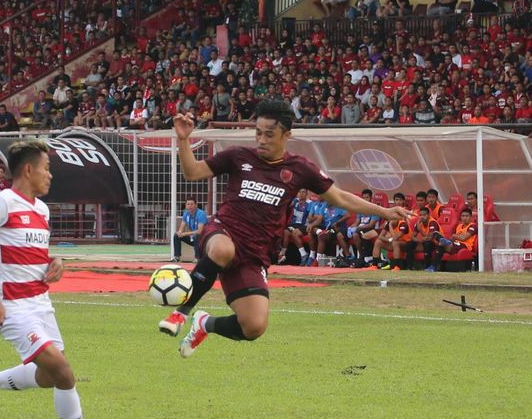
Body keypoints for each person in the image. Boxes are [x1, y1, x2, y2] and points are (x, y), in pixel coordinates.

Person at [158, 100, 411, 357]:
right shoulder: (238, 156)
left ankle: (204, 323)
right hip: (223, 232)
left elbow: (341, 198)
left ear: (286, 135)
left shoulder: (300, 169)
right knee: (222, 249)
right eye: (258, 132)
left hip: (255, 253)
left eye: (269, 134)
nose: (261, 139)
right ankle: (181, 312)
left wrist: (384, 211)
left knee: (254, 326)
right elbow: (192, 172)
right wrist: (183, 140)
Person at [0, 139, 104, 419]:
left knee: (49, 375)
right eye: (47, 168)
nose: (50, 175)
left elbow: (33, 254)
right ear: (28, 169)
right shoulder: (2, 203)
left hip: (42, 304)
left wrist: (56, 262)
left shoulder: (42, 209)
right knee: (64, 372)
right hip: (13, 308)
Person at [425, 208, 477, 272]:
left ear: (471, 217)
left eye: (467, 216)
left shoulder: (473, 226)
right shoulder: (459, 226)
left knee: (442, 245)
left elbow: (463, 238)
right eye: (463, 216)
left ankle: (433, 267)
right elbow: (454, 238)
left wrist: (455, 236)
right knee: (436, 236)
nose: (464, 218)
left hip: (465, 246)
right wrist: (454, 237)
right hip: (455, 244)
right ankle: (433, 267)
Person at [278, 188, 312, 265]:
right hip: (294, 224)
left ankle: (303, 254)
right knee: (285, 231)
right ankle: (282, 254)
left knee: (291, 232)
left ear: (306, 194)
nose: (301, 194)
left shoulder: (310, 203)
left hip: (304, 225)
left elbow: (311, 217)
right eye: (299, 192)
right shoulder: (295, 201)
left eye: (303, 192)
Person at [172, 196, 208, 262]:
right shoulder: (186, 213)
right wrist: (179, 232)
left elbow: (199, 231)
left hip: (203, 239)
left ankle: (197, 258)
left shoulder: (201, 214)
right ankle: (177, 257)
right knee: (176, 235)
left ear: (196, 205)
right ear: (185, 206)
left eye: (192, 204)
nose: (190, 206)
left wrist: (185, 233)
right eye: (188, 204)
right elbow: (181, 228)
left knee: (196, 236)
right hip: (193, 238)